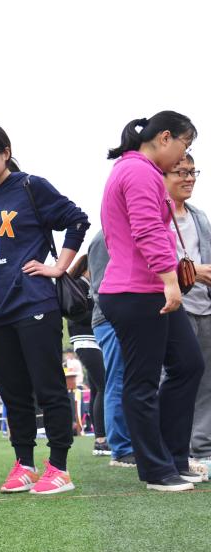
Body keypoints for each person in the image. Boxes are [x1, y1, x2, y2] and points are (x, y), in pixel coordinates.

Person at [0, 123, 88, 496]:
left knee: (48, 387)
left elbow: (77, 220)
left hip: (34, 302)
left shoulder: (31, 186)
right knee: (13, 391)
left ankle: (59, 467)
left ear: (6, 152)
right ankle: (25, 464)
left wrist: (58, 267)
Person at [99, 111, 204, 491]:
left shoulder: (137, 170)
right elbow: (145, 230)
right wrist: (170, 280)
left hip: (146, 289)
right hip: (135, 292)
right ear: (164, 137)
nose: (182, 156)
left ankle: (174, 458)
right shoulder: (138, 171)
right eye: (184, 145)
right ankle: (156, 470)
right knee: (141, 382)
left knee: (188, 364)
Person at [164, 153, 211, 463]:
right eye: (181, 172)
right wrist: (195, 271)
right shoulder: (155, 215)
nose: (189, 178)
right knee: (173, 379)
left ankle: (202, 448)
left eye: (193, 172)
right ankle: (169, 449)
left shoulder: (200, 217)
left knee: (206, 382)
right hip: (173, 306)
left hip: (205, 307)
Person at [87, 232, 134, 467]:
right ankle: (121, 448)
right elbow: (100, 288)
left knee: (128, 380)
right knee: (117, 380)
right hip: (110, 318)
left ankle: (130, 444)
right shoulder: (104, 238)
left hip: (122, 316)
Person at [64, 257, 109, 455]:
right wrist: (102, 315)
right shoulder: (78, 285)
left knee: (98, 388)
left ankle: (100, 437)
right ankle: (101, 439)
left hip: (95, 339)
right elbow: (75, 313)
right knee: (104, 386)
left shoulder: (89, 285)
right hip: (84, 339)